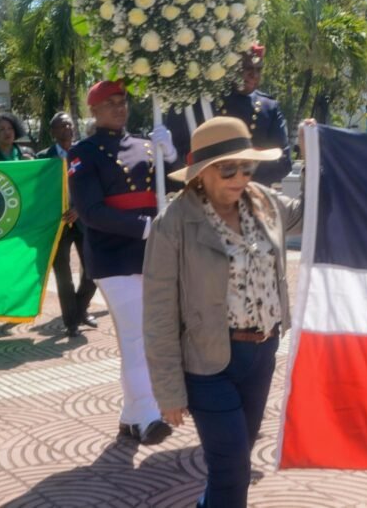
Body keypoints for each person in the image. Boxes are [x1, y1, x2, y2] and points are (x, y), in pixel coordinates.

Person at [143, 116, 309, 508]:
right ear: (201, 172)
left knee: (236, 461)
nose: (240, 178)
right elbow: (158, 314)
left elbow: (310, 212)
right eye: (228, 169)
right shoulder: (174, 224)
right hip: (208, 363)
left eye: (247, 167)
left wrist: (314, 153)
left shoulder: (264, 201)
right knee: (232, 470)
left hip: (263, 353)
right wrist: (168, 391)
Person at [68, 80, 178, 445]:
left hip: (152, 252)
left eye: (123, 101)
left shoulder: (146, 145)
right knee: (136, 335)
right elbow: (90, 211)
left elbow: (174, 187)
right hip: (113, 253)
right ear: (94, 110)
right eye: (110, 102)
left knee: (148, 334)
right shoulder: (84, 152)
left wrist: (170, 156)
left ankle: (131, 415)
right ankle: (148, 415)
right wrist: (145, 227)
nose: (119, 108)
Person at [166, 44, 292, 187]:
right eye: (248, 68)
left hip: (253, 190)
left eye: (259, 69)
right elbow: (185, 150)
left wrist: (241, 179)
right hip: (210, 190)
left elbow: (283, 162)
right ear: (232, 68)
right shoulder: (208, 102)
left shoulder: (269, 107)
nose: (255, 75)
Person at [35, 112, 97, 338]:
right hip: (58, 223)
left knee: (93, 270)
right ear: (53, 131)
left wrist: (79, 209)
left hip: (82, 220)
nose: (67, 128)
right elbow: (38, 193)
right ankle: (71, 322)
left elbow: (93, 185)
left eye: (69, 124)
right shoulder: (43, 158)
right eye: (61, 126)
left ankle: (80, 310)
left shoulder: (85, 152)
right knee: (63, 276)